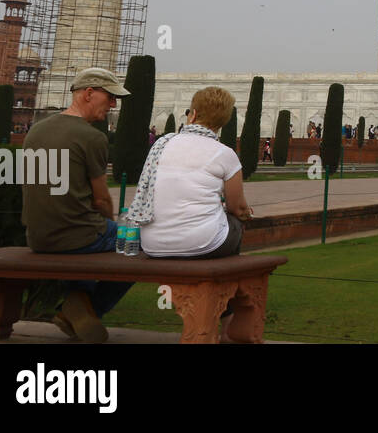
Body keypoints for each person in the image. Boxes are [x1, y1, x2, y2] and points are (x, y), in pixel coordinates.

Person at [21, 67, 134, 343]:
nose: (113, 105)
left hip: (37, 236)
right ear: (89, 93)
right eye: (109, 98)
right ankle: (88, 310)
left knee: (85, 233)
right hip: (78, 235)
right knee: (137, 245)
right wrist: (113, 224)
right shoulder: (93, 137)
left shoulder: (35, 131)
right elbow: (102, 200)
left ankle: (78, 300)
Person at [128, 85, 253, 262]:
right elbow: (238, 208)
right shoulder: (224, 153)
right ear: (223, 122)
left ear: (192, 114)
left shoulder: (161, 144)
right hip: (204, 244)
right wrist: (246, 213)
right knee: (236, 222)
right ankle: (224, 281)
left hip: (151, 244)